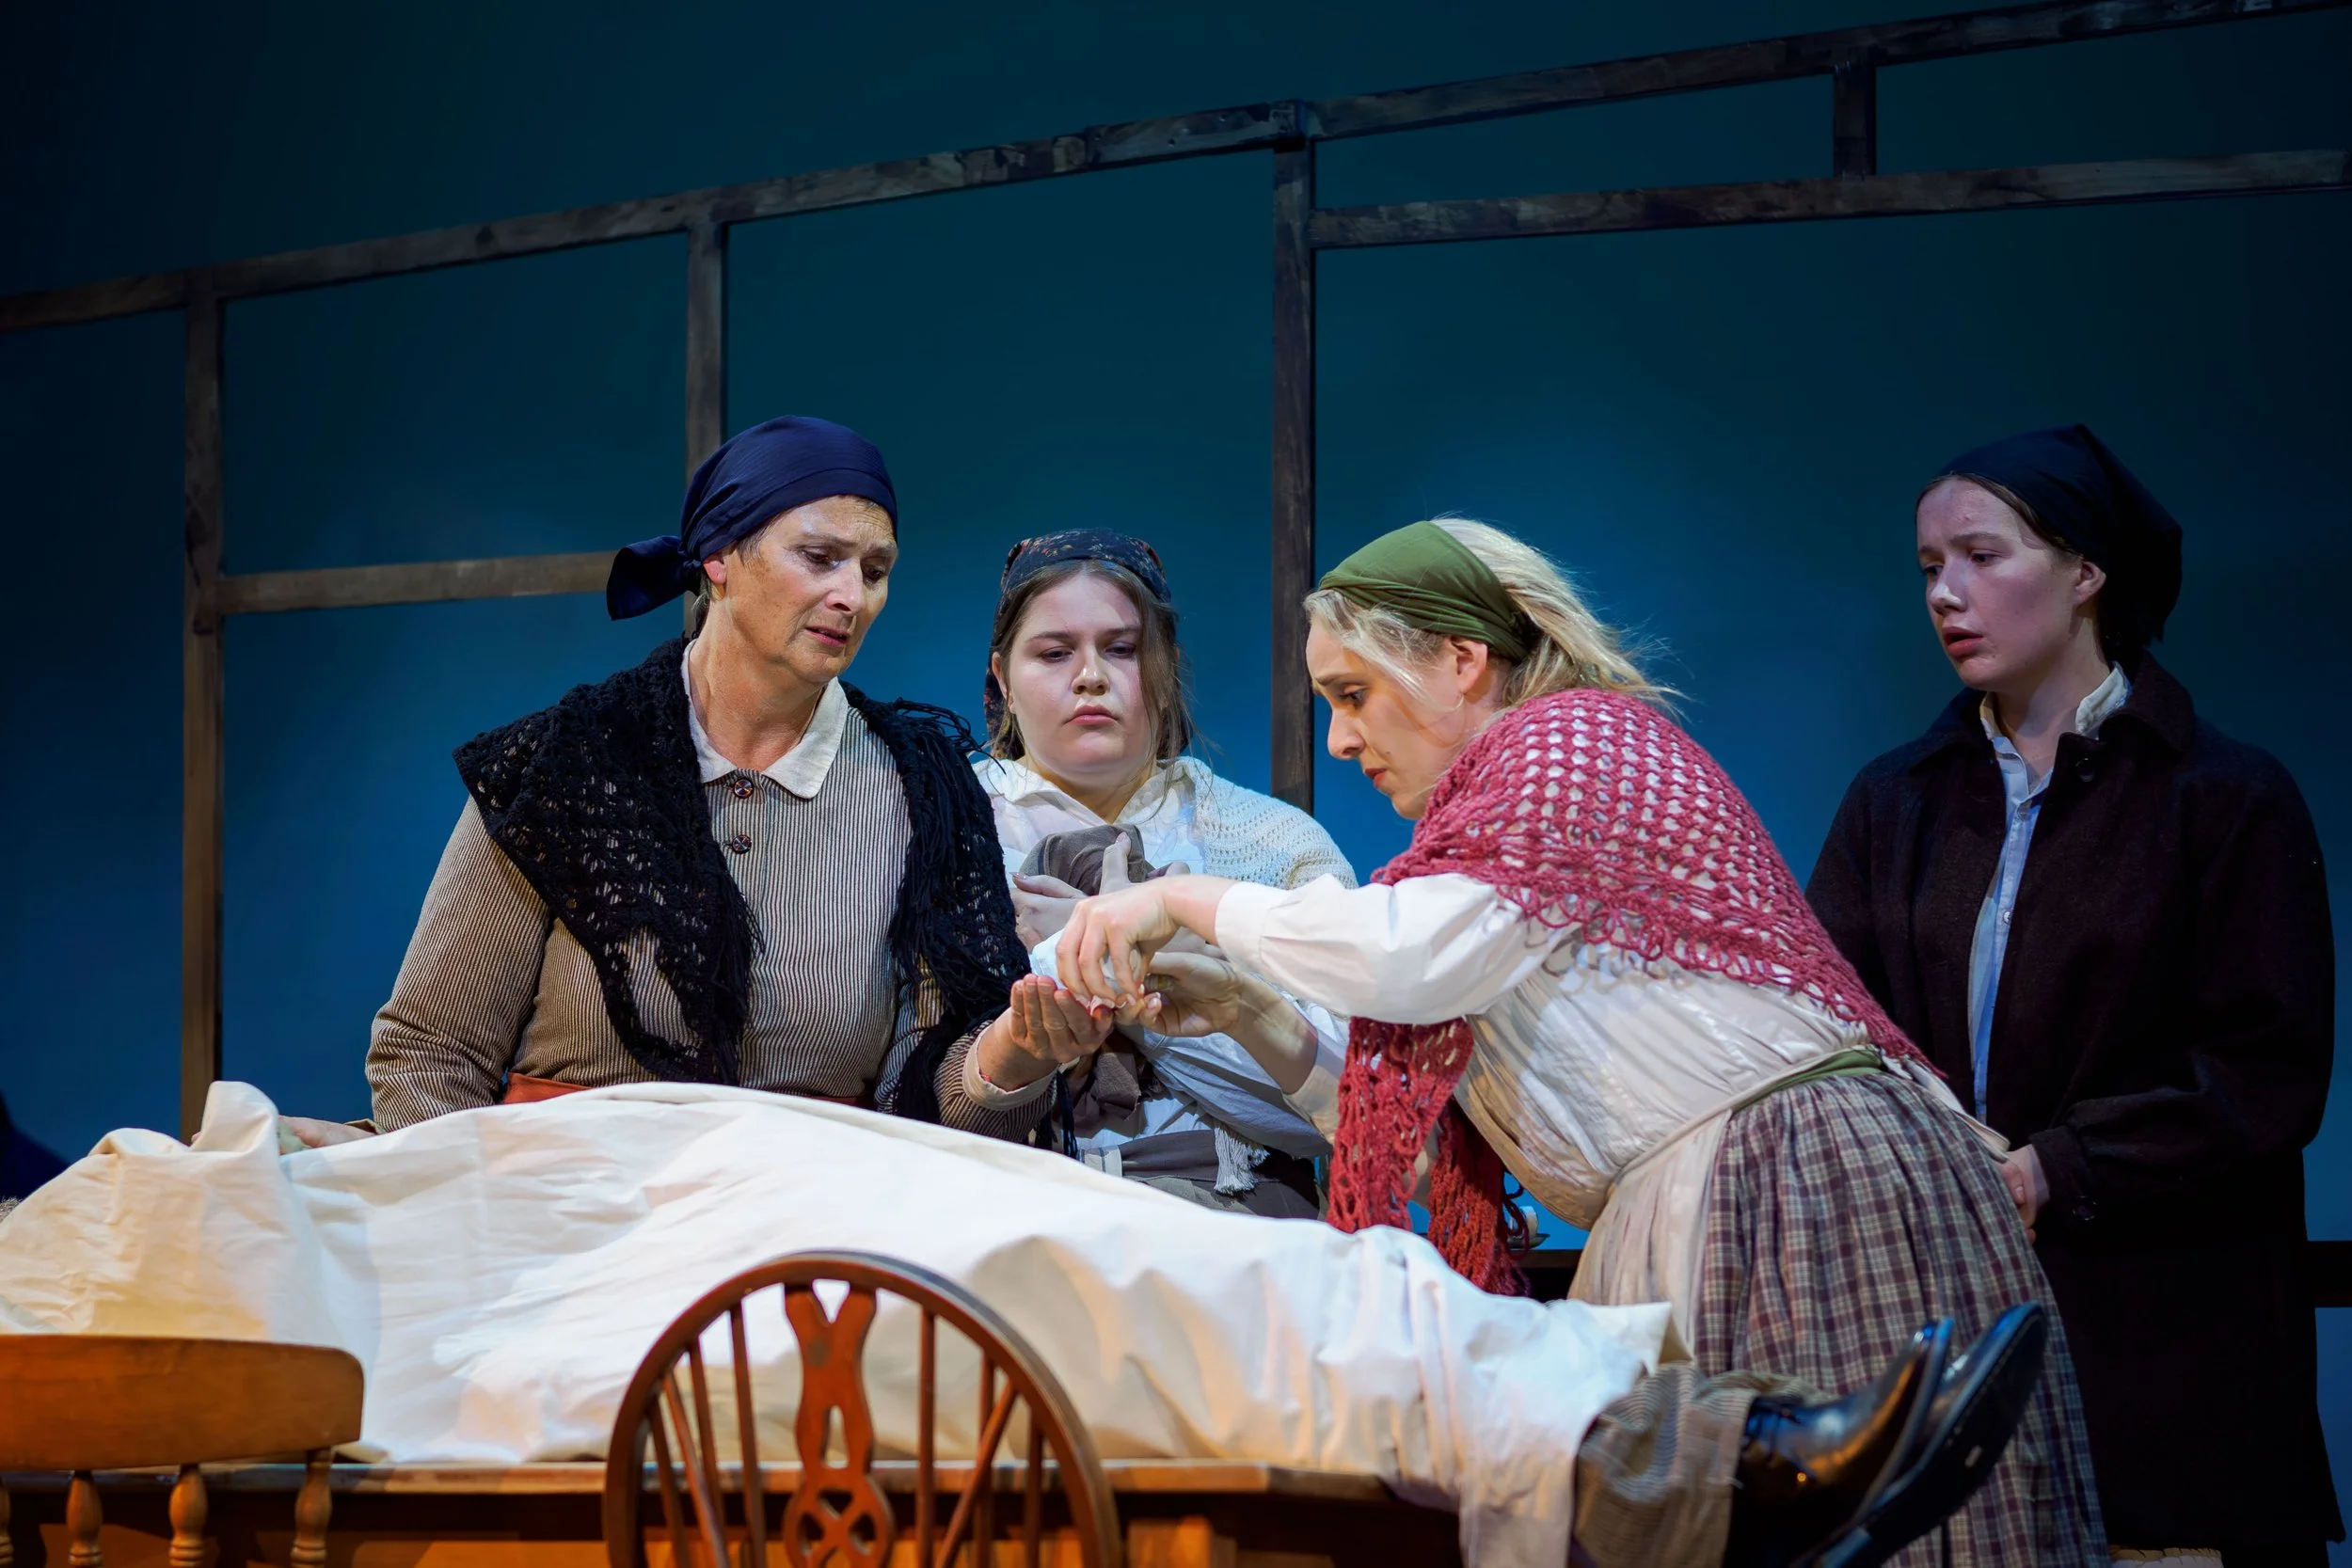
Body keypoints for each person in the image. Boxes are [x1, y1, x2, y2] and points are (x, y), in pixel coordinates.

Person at [1053, 517, 2106, 1565]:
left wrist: (1185, 895)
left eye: (1354, 693)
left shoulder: (1574, 740)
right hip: (1692, 1205)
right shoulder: (1486, 839)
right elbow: (1431, 1135)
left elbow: (1403, 957)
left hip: (1801, 1190)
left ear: (1462, 661)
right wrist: (1250, 1011)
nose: (1338, 736)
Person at [1806, 425, 2341, 1566]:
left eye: (1981, 555)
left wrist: (2058, 1163)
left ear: (2085, 571)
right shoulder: (1894, 800)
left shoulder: (2221, 795)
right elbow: (1833, 1029)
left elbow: (2264, 1071)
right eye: (1927, 567)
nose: (1946, 592)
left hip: (2165, 1344)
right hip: (1949, 1327)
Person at [322, 416, 1045, 1140]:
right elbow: (432, 1052)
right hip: (567, 1217)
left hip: (808, 1225)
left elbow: (929, 1106)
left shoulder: (922, 793)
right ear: (720, 555)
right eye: (819, 557)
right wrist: (483, 1224)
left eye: (875, 570)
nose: (853, 596)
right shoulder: (565, 767)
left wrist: (1014, 1056)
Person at [957, 529, 1352, 1217]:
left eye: (1122, 648)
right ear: (1002, 679)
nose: (1089, 675)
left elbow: (1348, 1111)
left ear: (1165, 665)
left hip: (1236, 1222)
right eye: (1054, 652)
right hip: (1004, 1217)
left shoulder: (1270, 843)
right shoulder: (939, 828)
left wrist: (1121, 973)